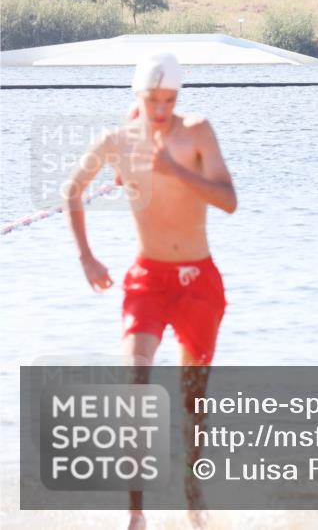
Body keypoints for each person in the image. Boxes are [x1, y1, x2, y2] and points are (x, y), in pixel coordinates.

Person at [63, 53, 237, 530]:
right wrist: (86, 256)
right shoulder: (116, 141)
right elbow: (72, 190)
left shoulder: (197, 130)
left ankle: (191, 497)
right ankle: (134, 514)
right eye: (152, 100)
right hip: (148, 280)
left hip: (198, 281)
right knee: (135, 386)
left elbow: (229, 201)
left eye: (169, 99)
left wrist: (173, 169)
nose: (161, 109)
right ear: (137, 98)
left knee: (191, 399)